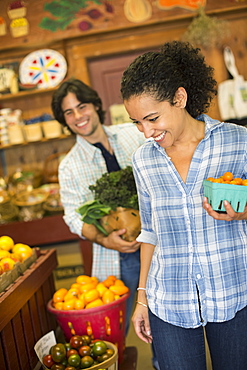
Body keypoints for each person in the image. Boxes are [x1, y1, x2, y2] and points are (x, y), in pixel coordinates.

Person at [120, 41, 247, 370]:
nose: (146, 132)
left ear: (179, 98)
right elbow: (149, 233)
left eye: (152, 118)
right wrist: (142, 299)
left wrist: (244, 211)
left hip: (234, 291)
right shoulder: (143, 160)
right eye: (136, 122)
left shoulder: (237, 141)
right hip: (170, 300)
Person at [51, 78, 145, 334]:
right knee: (113, 331)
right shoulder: (69, 166)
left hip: (157, 245)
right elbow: (73, 218)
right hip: (117, 257)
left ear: (95, 105)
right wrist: (106, 240)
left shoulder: (132, 134)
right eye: (69, 112)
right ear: (64, 120)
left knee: (162, 322)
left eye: (82, 106)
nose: (78, 116)